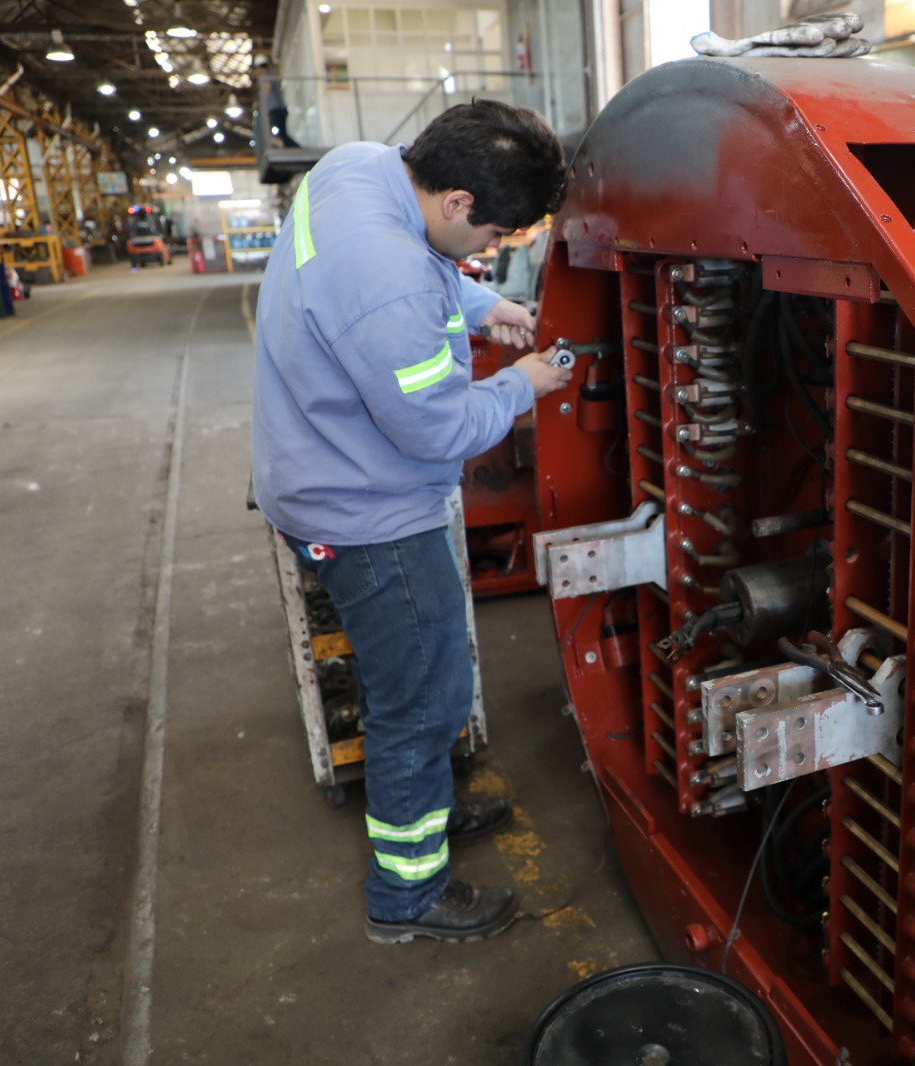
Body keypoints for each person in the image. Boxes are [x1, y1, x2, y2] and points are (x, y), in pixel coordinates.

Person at [251, 99, 572, 944]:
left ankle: (423, 806)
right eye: (497, 235)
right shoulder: (390, 277)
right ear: (458, 200)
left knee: (415, 687)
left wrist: (480, 308)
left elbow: (400, 283)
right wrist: (524, 384)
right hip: (367, 512)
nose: (496, 252)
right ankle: (408, 893)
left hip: (312, 463)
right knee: (422, 700)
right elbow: (440, 426)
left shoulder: (357, 167)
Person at [254, 56, 299, 148]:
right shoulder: (272, 75)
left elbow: (267, 87)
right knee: (282, 133)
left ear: (259, 67)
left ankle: (297, 149)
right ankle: (292, 148)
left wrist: (259, 102)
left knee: (281, 134)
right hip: (280, 108)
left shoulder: (266, 76)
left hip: (276, 109)